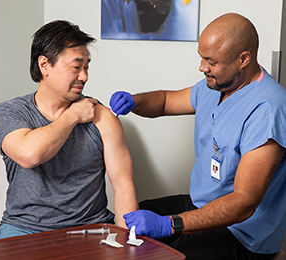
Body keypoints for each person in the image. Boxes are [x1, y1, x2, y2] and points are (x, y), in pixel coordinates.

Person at [109, 13, 286, 260]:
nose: (202, 67)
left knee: (152, 253)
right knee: (134, 214)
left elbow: (244, 202)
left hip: (241, 233)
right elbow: (165, 101)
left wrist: (169, 225)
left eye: (211, 60)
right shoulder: (216, 85)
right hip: (202, 203)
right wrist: (134, 101)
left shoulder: (267, 108)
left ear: (243, 59)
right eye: (201, 57)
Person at [0, 20, 138, 240]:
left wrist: (130, 240)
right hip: (24, 228)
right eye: (76, 67)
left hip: (91, 228)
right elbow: (30, 155)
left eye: (86, 67)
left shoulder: (101, 117)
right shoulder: (11, 112)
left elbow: (123, 185)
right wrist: (72, 116)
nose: (84, 77)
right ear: (44, 65)